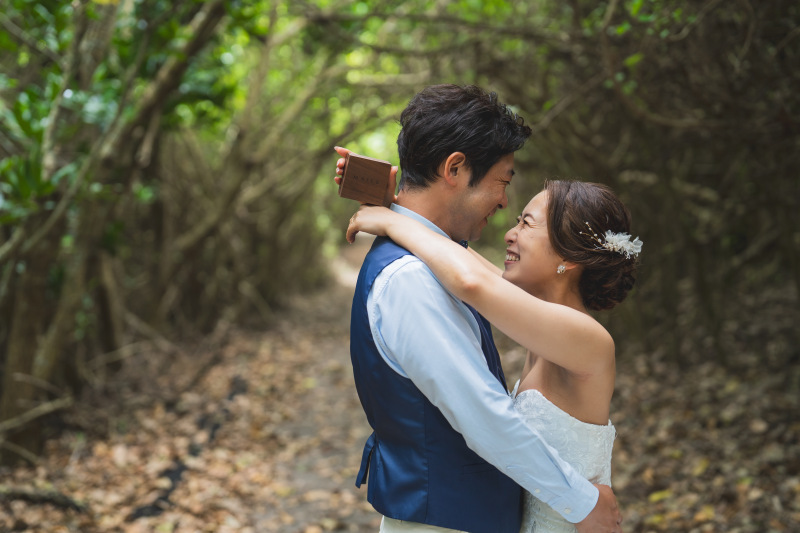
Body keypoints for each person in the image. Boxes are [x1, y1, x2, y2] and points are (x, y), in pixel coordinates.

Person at [334, 84, 624, 533]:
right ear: (454, 168)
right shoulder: (412, 277)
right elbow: (481, 413)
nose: (506, 208)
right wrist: (581, 503)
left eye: (526, 222)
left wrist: (393, 214)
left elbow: (473, 276)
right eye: (504, 183)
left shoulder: (441, 266)